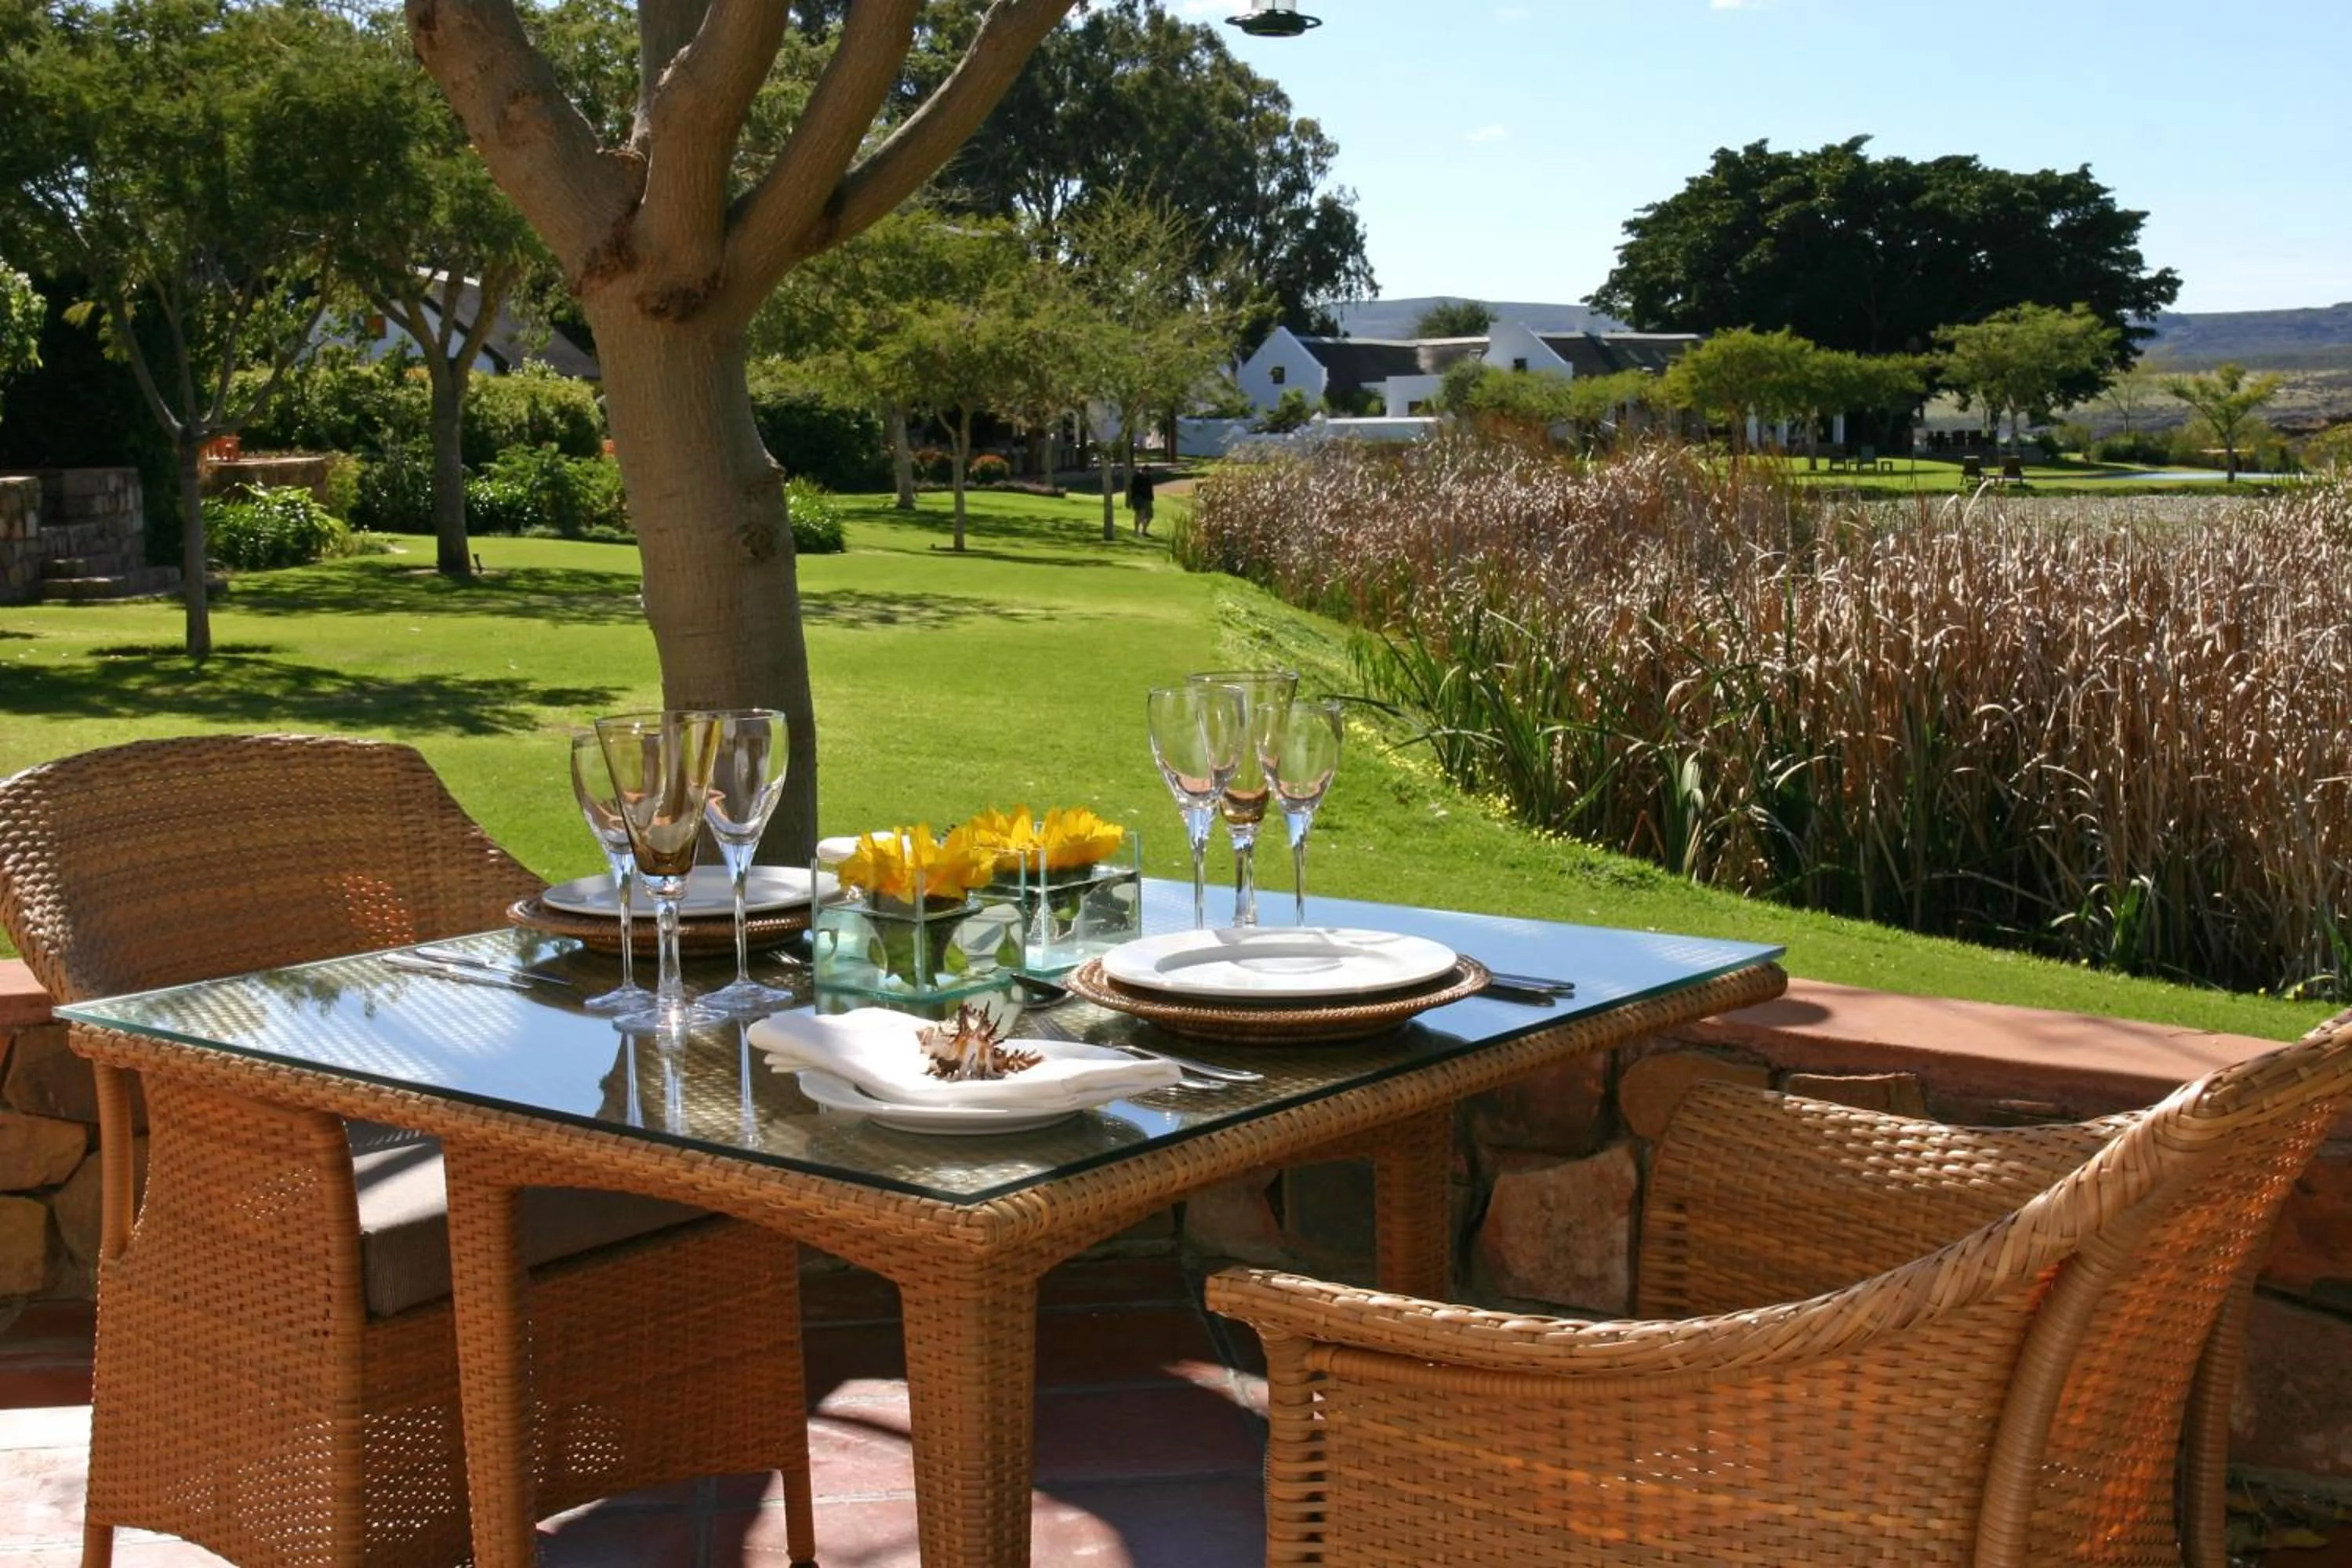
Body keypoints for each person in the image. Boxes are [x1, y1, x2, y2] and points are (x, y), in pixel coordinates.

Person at [1126, 465, 1156, 536]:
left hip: (1148, 499)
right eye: (1147, 471)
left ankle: (1144, 530)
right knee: (1140, 514)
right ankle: (1136, 530)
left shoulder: (1148, 478)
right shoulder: (1137, 478)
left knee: (1150, 516)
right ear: (1142, 470)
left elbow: (1150, 489)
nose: (1148, 472)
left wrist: (1151, 498)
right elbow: (1133, 489)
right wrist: (1132, 499)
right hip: (1138, 498)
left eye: (1149, 471)